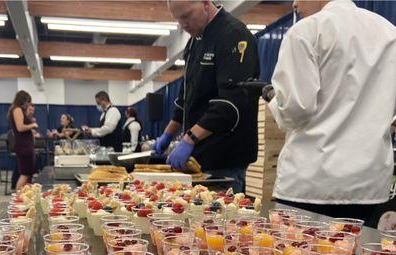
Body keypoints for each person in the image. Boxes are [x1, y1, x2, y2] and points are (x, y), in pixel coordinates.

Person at [262, 0, 396, 225]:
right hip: (369, 184)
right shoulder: (389, 33)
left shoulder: (306, 32)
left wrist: (271, 96)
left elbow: (294, 112)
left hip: (312, 184)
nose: (294, 4)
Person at [153, 0, 260, 193]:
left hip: (225, 160)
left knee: (220, 221)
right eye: (177, 19)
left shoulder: (233, 35)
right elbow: (186, 96)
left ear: (205, 3)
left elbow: (230, 103)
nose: (183, 25)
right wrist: (168, 134)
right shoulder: (194, 42)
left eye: (186, 16)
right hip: (199, 159)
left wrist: (188, 140)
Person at [7, 90, 38, 192]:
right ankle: (18, 199)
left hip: (26, 144)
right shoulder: (17, 109)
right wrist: (32, 125)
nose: (27, 104)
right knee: (24, 174)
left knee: (28, 174)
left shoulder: (18, 110)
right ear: (22, 100)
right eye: (27, 101)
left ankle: (26, 197)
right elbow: (20, 127)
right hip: (24, 145)